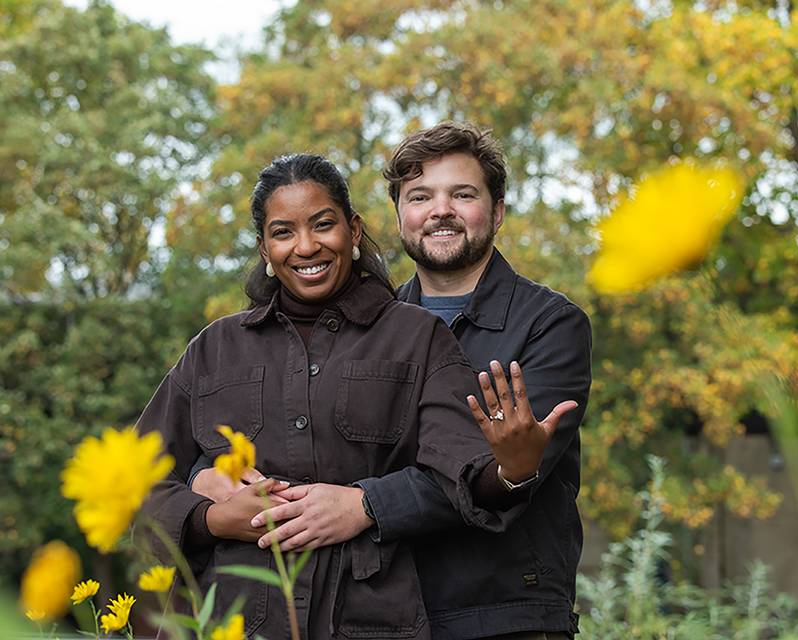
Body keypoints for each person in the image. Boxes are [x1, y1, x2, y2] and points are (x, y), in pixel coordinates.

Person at [137, 153, 574, 639]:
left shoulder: (418, 336)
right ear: (264, 247)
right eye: (283, 232)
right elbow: (139, 482)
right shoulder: (214, 348)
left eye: (323, 225)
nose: (306, 246)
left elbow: (461, 477)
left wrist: (510, 471)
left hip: (372, 621)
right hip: (238, 621)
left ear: (354, 230)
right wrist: (212, 517)